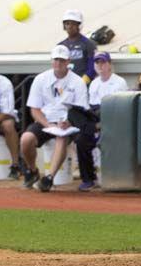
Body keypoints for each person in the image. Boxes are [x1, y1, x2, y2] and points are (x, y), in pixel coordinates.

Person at [20, 45, 91, 192]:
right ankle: (33, 171)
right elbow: (34, 109)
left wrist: (68, 122)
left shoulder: (78, 82)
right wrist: (48, 124)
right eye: (56, 60)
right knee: (26, 139)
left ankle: (49, 178)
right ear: (52, 61)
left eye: (62, 60)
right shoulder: (41, 79)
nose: (58, 63)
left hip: (68, 122)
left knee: (61, 138)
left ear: (68, 62)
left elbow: (81, 109)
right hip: (45, 120)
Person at [58, 9, 97, 82]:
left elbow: (92, 67)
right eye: (67, 23)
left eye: (73, 23)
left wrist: (82, 83)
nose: (70, 26)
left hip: (83, 84)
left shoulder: (89, 44)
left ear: (79, 25)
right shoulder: (60, 46)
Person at [88, 52, 127, 117]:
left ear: (110, 64)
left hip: (113, 115)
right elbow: (92, 104)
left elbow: (123, 107)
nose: (99, 65)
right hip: (96, 113)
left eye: (102, 62)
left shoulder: (120, 82)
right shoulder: (93, 83)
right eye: (97, 62)